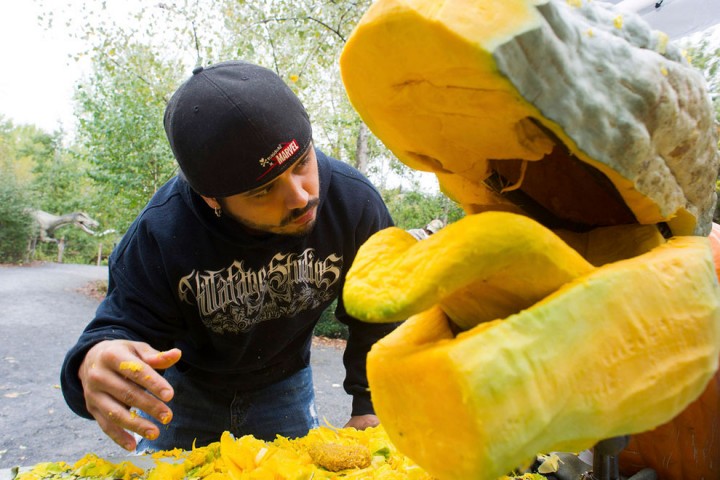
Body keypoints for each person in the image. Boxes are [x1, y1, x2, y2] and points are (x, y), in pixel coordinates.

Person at [60, 60, 398, 453]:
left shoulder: (353, 203)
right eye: (263, 191)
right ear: (210, 199)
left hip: (284, 385)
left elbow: (379, 310)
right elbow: (120, 326)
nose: (301, 197)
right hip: (185, 394)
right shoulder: (161, 231)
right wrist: (92, 361)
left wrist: (370, 403)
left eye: (301, 162)